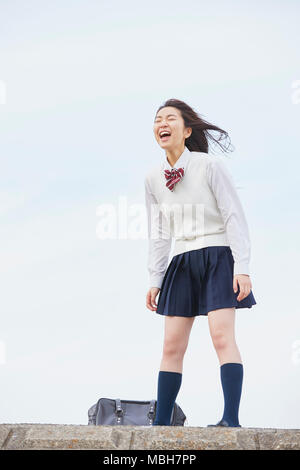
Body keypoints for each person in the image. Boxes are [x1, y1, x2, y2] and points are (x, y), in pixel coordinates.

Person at [144, 98, 257, 428]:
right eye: (157, 120)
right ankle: (161, 426)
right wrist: (155, 278)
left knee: (222, 338)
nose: (162, 123)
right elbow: (160, 231)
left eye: (170, 119)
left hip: (218, 255)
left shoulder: (209, 166)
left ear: (187, 130)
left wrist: (242, 267)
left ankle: (231, 420)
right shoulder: (152, 178)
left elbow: (234, 216)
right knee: (171, 345)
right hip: (180, 262)